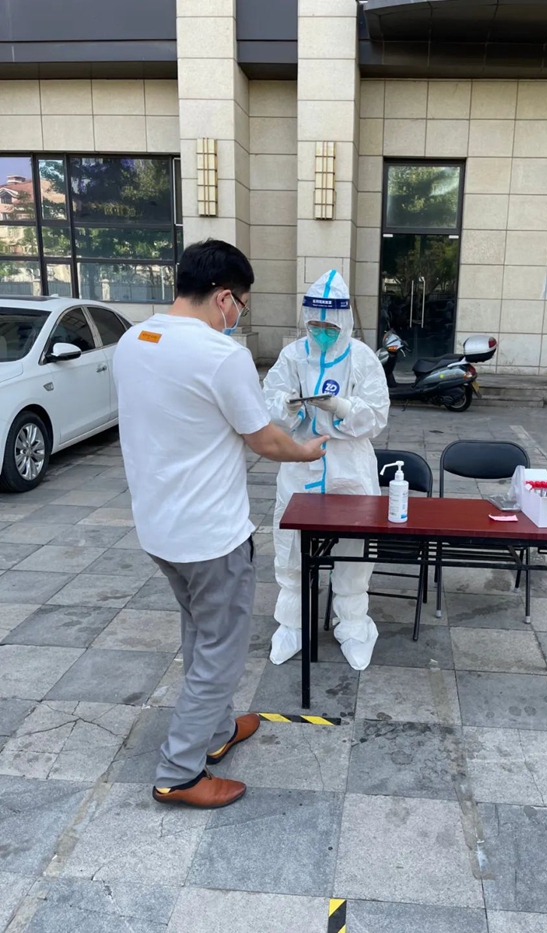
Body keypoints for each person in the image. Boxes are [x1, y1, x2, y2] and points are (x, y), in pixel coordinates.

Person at [113, 239, 327, 809]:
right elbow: (265, 439)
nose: (239, 316)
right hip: (210, 536)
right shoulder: (220, 355)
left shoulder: (134, 340)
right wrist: (308, 451)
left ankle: (216, 732)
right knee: (221, 649)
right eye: (242, 305)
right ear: (225, 297)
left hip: (159, 528)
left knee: (199, 631)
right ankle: (180, 772)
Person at [263, 270, 390, 670]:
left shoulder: (362, 358)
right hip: (301, 463)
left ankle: (352, 624)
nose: (321, 333)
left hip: (349, 466)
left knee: (355, 548)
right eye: (315, 325)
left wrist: (342, 407)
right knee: (291, 547)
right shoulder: (293, 356)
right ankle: (292, 624)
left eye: (329, 327)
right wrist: (288, 406)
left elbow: (377, 416)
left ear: (344, 321)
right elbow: (267, 401)